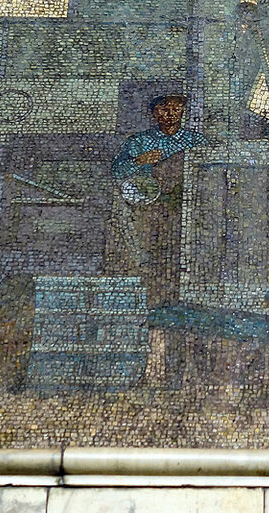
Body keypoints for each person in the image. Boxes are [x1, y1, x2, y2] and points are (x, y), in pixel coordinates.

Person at [109, 94, 207, 389]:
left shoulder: (195, 141)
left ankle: (188, 374)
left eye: (177, 108)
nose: (171, 113)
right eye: (165, 108)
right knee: (153, 298)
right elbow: (117, 171)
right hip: (152, 223)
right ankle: (142, 370)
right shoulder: (139, 142)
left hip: (189, 225)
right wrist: (139, 162)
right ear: (154, 112)